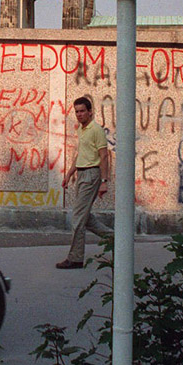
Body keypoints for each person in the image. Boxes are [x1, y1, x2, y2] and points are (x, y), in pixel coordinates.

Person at [57, 96, 113, 269]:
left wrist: (104, 181)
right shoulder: (82, 130)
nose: (79, 114)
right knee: (85, 217)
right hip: (82, 174)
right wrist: (69, 174)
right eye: (77, 111)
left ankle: (75, 258)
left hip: (92, 175)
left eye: (82, 111)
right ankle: (116, 239)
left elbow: (104, 156)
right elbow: (80, 154)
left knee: (78, 218)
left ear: (90, 112)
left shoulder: (96, 130)